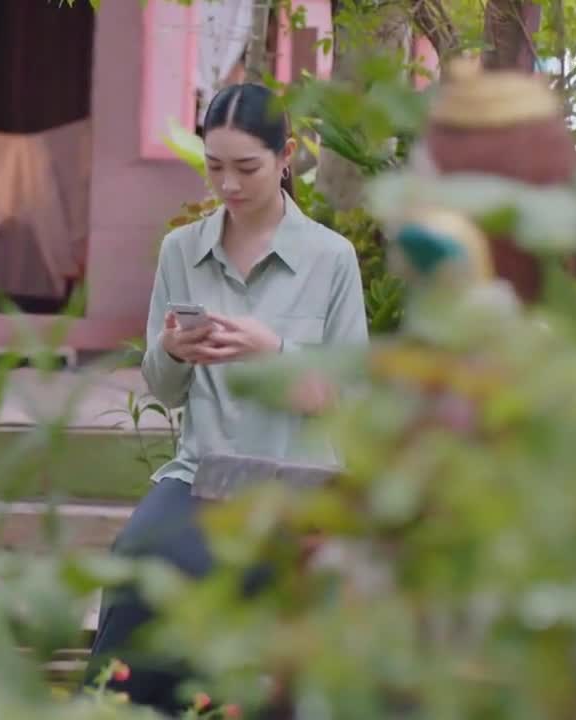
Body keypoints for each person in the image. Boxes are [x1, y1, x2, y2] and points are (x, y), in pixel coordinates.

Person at [83, 83, 370, 714]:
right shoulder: (182, 251)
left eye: (246, 167)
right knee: (138, 561)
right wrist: (173, 351)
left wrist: (273, 352)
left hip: (299, 481)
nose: (228, 185)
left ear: (285, 156)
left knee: (253, 578)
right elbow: (163, 390)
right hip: (202, 474)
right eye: (214, 167)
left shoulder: (331, 259)